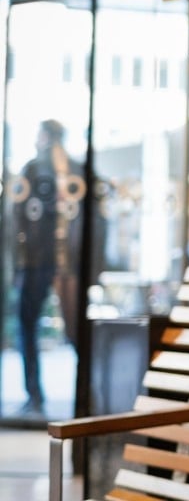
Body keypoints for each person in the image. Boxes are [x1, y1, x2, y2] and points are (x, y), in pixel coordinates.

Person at [10, 119, 86, 418]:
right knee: (32, 325)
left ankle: (46, 395)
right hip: (46, 261)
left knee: (70, 329)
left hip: (53, 261)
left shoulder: (72, 171)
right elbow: (18, 217)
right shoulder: (39, 170)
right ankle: (39, 394)